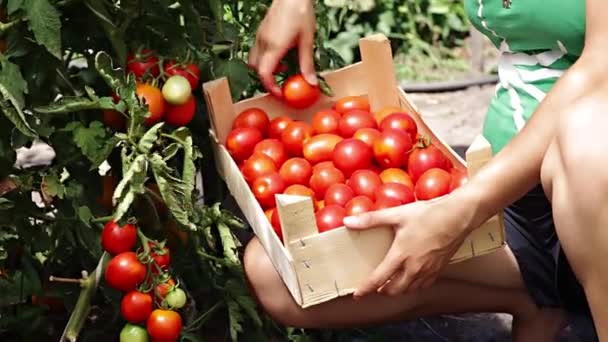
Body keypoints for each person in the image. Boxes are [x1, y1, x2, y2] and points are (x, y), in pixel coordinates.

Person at [245, 0, 605, 340]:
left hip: (592, 177)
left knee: (587, 140)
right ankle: (538, 295)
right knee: (279, 273)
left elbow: (600, 69)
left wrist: (462, 210)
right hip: (515, 186)